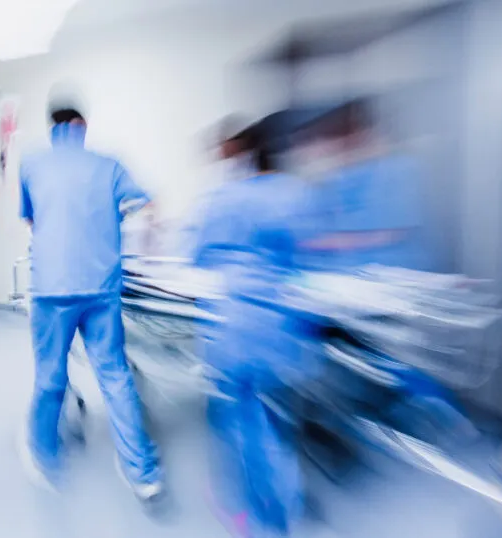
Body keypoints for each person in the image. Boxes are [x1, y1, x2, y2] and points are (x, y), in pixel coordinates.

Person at [18, 106, 164, 505]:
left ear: (54, 128)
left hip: (52, 289)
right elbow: (151, 206)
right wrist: (143, 250)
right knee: (115, 376)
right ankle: (143, 473)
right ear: (83, 127)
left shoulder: (32, 163)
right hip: (101, 289)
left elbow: (32, 220)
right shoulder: (109, 165)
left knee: (50, 376)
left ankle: (44, 454)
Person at [193, 120, 314, 537]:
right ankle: (287, 506)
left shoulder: (224, 198)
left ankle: (259, 520)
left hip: (237, 329)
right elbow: (306, 259)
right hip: (283, 329)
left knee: (240, 419)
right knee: (275, 420)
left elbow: (199, 256)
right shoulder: (295, 193)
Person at [292, 98, 428, 272]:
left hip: (394, 272)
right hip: (350, 273)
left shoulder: (396, 169)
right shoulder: (339, 177)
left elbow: (393, 233)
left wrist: (328, 243)